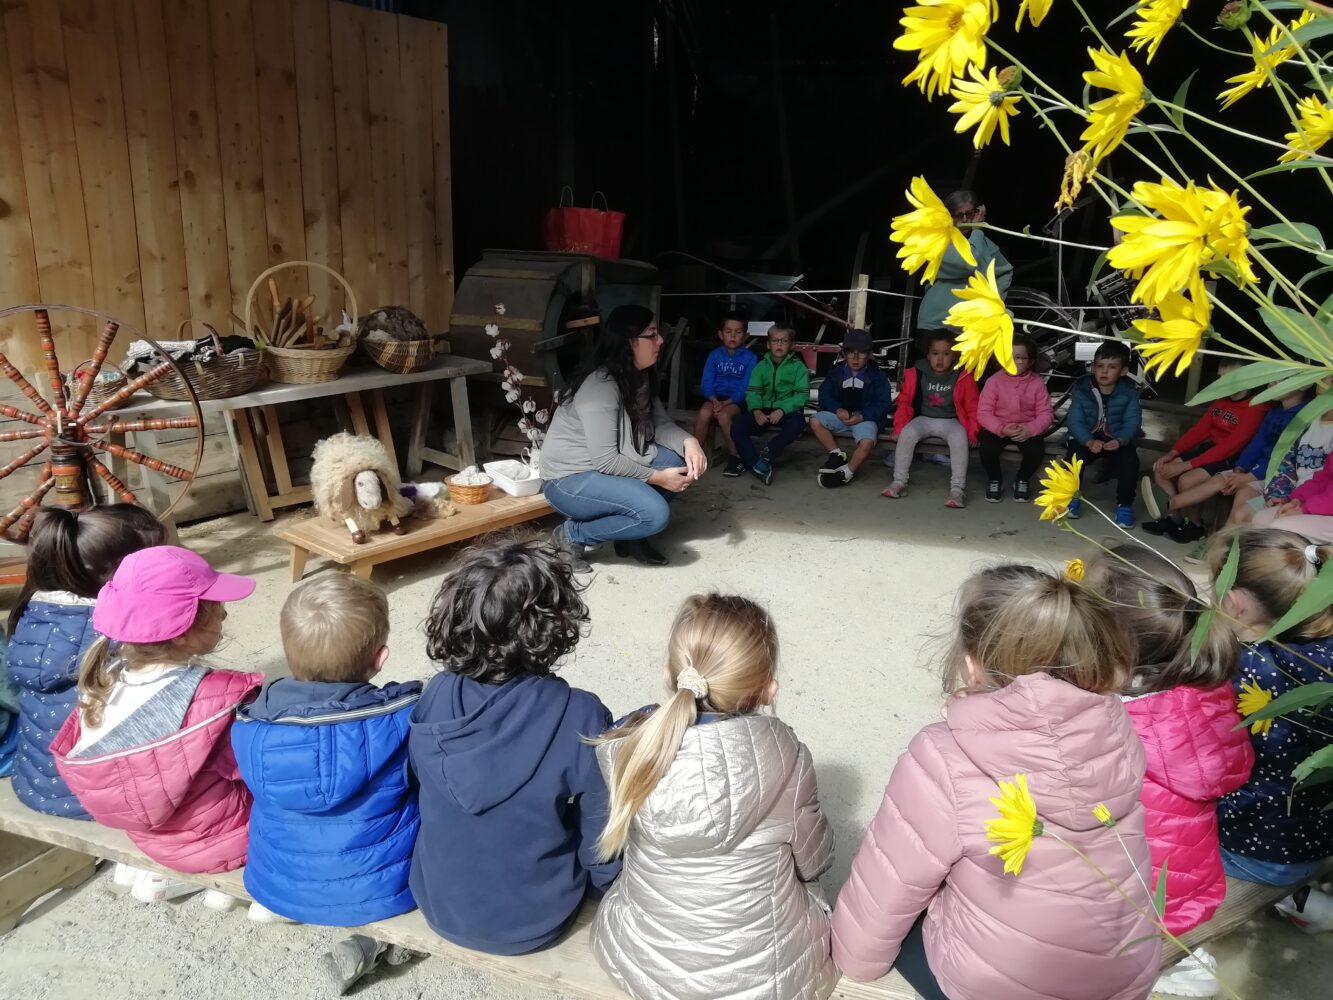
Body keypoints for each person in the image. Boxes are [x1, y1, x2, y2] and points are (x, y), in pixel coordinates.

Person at [831, 564, 1159, 1000]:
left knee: (907, 921)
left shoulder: (944, 757)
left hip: (1000, 988)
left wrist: (854, 966)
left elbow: (889, 883)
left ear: (971, 664)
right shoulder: (1117, 732)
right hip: (1125, 979)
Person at [590, 594, 835, 1000]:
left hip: (644, 960)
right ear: (767, 689)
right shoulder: (788, 757)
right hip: (761, 977)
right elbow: (814, 860)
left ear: (669, 673)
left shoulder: (628, 749)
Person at [408, 538, 619, 956]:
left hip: (439, 905)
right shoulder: (579, 714)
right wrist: (609, 887)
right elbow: (600, 833)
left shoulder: (436, 694)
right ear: (555, 624)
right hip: (536, 919)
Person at [49, 546, 262, 906]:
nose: (224, 613)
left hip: (148, 836)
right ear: (180, 632)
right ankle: (220, 884)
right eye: (215, 609)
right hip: (224, 838)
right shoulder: (216, 696)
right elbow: (256, 770)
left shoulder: (102, 681)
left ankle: (161, 872)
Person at [1084, 545, 1252, 999]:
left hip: (1136, 889)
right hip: (1190, 879)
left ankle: (1168, 972)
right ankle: (1192, 962)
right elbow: (1232, 768)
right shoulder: (1208, 689)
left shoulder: (1115, 716)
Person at [232, 574, 421, 933]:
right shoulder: (399, 719)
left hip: (277, 884)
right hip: (384, 888)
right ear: (380, 658)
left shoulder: (249, 728)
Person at [7, 505, 165, 818]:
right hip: (100, 800)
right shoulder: (116, 631)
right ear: (121, 571)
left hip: (35, 783)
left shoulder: (34, 611)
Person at [542, 304, 707, 570]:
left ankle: (629, 534)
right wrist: (658, 478)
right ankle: (572, 535)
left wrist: (691, 442)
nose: (661, 340)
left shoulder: (639, 376)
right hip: (570, 479)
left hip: (609, 466)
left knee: (681, 463)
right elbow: (606, 460)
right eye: (652, 334)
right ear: (629, 341)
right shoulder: (600, 386)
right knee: (654, 514)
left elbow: (659, 423)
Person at [1213, 528, 1333, 892]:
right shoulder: (1324, 654)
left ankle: (1304, 905)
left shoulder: (1244, 670)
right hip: (1318, 837)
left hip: (1257, 850)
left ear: (1235, 603)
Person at [1141, 360, 1269, 543]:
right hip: (1211, 450)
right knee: (1161, 470)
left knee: (1187, 480)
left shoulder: (1255, 408)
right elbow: (1200, 430)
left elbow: (1231, 446)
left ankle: (1194, 526)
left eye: (1229, 378)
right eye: (1220, 378)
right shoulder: (1221, 400)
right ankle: (1174, 517)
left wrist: (1187, 464)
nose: (1222, 383)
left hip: (1232, 457)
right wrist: (1173, 453)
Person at [884, 332, 980, 507]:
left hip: (951, 421)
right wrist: (898, 427)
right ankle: (899, 481)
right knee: (908, 433)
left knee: (960, 438)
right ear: (928, 355)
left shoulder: (963, 376)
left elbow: (973, 407)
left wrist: (973, 432)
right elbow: (904, 402)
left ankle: (957, 490)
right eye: (935, 353)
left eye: (946, 354)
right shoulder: (917, 373)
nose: (940, 359)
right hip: (923, 418)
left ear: (954, 356)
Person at [1221, 403, 1333, 535]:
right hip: (1290, 492)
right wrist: (1293, 499)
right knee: (1250, 513)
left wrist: (1303, 507)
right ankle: (1222, 549)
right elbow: (1320, 477)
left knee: (1273, 524)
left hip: (1314, 502)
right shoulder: (1305, 421)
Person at [1065, 340, 1142, 526]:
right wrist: (1088, 441)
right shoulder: (1083, 389)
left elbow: (1133, 421)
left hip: (1115, 438)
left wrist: (1121, 440)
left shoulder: (1129, 391)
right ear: (1093, 367)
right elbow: (1074, 420)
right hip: (1087, 438)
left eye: (1112, 367)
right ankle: (1071, 497)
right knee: (1074, 458)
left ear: (1123, 371)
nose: (1104, 371)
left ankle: (1124, 505)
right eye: (1100, 366)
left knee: (1130, 461)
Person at [915, 190, 1013, 335]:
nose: (966, 220)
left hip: (972, 325)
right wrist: (978, 231)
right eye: (960, 215)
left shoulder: (984, 243)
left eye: (970, 214)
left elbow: (1005, 270)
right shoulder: (939, 241)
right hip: (938, 322)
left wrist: (993, 302)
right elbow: (967, 263)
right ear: (950, 217)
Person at [809, 328, 891, 489]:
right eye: (850, 353)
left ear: (869, 354)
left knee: (867, 443)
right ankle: (836, 454)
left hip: (864, 420)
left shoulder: (878, 377)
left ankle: (847, 472)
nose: (855, 358)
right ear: (844, 354)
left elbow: (883, 404)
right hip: (841, 417)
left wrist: (862, 416)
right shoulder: (836, 373)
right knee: (814, 420)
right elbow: (824, 395)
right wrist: (837, 409)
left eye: (861, 353)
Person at [977, 334, 1054, 502]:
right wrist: (1000, 428)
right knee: (987, 449)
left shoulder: (1037, 383)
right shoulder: (994, 381)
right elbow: (984, 412)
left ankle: (1022, 478)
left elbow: (1046, 413)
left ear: (1030, 362)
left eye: (1019, 358)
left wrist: (1031, 429)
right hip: (999, 427)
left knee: (1035, 451)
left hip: (1026, 427)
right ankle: (995, 478)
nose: (1013, 362)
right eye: (1008, 357)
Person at [730, 323, 809, 485]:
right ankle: (755, 462)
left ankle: (768, 453)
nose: (779, 345)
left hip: (787, 411)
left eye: (784, 341)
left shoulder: (798, 367)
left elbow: (802, 396)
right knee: (738, 425)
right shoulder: (760, 367)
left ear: (792, 345)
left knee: (798, 423)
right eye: (775, 341)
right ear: (768, 345)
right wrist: (756, 411)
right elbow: (753, 392)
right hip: (763, 409)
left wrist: (782, 409)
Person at [695, 310, 757, 476]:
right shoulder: (714, 356)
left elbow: (746, 387)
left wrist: (726, 403)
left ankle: (735, 457)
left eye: (738, 332)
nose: (733, 336)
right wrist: (714, 399)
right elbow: (706, 381)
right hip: (715, 398)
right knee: (704, 412)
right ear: (720, 334)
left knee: (723, 416)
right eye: (728, 332)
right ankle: (694, 453)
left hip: (737, 401)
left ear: (746, 336)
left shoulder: (751, 358)